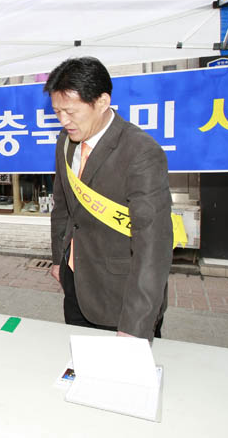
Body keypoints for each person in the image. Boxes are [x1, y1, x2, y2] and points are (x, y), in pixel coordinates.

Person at [44, 57, 173, 341]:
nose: (63, 121)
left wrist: (135, 326)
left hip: (120, 294)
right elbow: (63, 206)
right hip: (76, 282)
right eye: (57, 112)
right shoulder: (64, 142)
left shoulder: (140, 152)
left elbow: (154, 246)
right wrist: (58, 259)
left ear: (102, 101)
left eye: (70, 111)